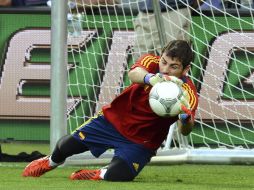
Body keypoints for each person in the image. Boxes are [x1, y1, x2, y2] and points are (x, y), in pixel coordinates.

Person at [22, 40, 198, 181]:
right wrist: (151, 79)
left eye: (173, 67)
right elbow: (134, 73)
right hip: (113, 120)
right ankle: (50, 161)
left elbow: (186, 130)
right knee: (65, 146)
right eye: (164, 62)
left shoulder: (188, 93)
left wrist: (184, 118)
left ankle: (99, 173)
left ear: (186, 69)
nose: (165, 69)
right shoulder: (151, 62)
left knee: (119, 175)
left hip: (141, 141)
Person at [133, 0, 204, 59]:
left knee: (173, 60)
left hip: (173, 10)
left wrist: (187, 6)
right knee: (141, 62)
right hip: (144, 10)